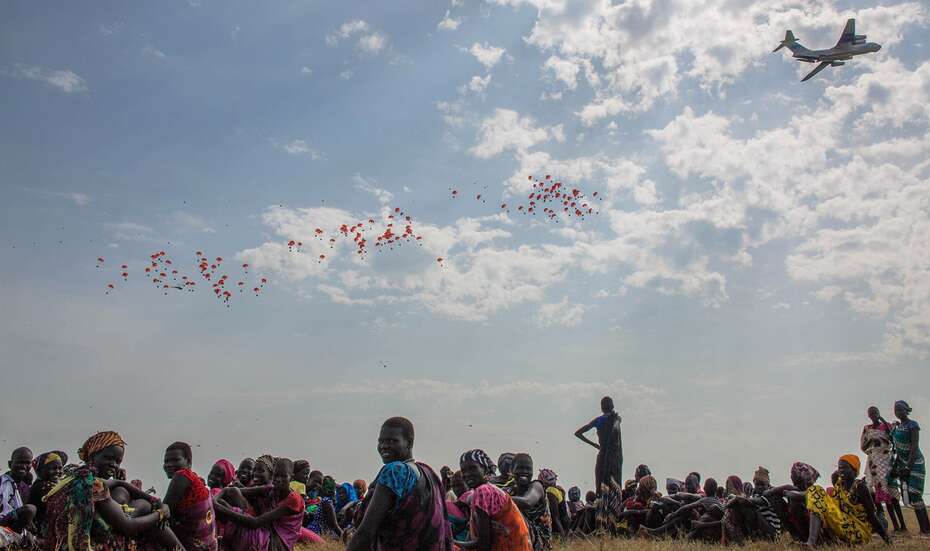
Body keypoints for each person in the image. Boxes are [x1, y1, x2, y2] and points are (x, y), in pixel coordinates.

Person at [42, 430, 182, 551]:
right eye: (108, 458)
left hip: (58, 545)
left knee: (125, 492)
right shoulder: (92, 484)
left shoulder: (76, 476)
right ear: (92, 456)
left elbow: (117, 483)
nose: (113, 465)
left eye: (117, 461)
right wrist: (161, 513)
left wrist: (154, 500)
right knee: (145, 508)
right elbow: (129, 527)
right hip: (85, 546)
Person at [346, 417, 451, 551]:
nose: (384, 446)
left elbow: (365, 532)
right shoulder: (428, 473)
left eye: (392, 441)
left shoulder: (395, 471)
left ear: (409, 443)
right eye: (381, 441)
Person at [214, 457, 305, 551]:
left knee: (224, 510)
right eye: (276, 476)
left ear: (291, 478)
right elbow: (231, 491)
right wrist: (216, 501)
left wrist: (221, 508)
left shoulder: (294, 500)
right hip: (265, 531)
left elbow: (255, 522)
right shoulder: (272, 489)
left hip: (275, 544)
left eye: (283, 476)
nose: (278, 479)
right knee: (227, 500)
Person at [804, 454, 891, 546]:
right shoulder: (839, 484)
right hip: (843, 523)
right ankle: (815, 541)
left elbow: (872, 516)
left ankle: (811, 543)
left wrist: (887, 540)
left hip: (857, 530)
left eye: (844, 468)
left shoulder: (860, 487)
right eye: (839, 468)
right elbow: (832, 503)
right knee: (815, 490)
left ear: (854, 470)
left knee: (816, 491)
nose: (840, 470)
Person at [456, 449, 531, 551]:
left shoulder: (483, 492)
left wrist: (451, 541)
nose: (468, 474)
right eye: (464, 470)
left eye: (473, 468)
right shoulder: (487, 490)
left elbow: (483, 544)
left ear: (485, 470)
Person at [162, 441, 218, 551]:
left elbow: (163, 511)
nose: (168, 464)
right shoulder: (194, 480)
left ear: (188, 462)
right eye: (166, 461)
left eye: (175, 460)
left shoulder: (182, 475)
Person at [861, 406, 905, 532]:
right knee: (885, 496)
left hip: (887, 460)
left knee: (893, 494)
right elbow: (863, 446)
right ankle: (895, 526)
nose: (873, 415)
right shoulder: (867, 429)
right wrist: (872, 442)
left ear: (878, 413)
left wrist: (884, 421)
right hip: (874, 461)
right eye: (871, 414)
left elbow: (893, 438)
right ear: (868, 415)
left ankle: (903, 526)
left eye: (875, 413)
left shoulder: (887, 426)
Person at [891, 400, 929, 534]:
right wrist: (897, 466)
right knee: (909, 496)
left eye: (900, 409)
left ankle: (926, 529)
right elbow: (895, 448)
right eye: (896, 410)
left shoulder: (913, 425)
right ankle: (924, 529)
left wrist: (908, 467)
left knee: (915, 493)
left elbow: (914, 446)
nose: (898, 412)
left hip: (915, 463)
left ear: (906, 410)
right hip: (902, 463)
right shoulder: (896, 428)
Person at [574, 396, 622, 495]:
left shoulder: (599, 420)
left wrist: (594, 444)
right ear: (612, 406)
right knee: (615, 488)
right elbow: (616, 429)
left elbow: (578, 433)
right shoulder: (615, 419)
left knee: (600, 486)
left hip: (603, 456)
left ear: (601, 407)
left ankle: (600, 507)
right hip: (614, 458)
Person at [507, 454, 550, 551]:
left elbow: (528, 502)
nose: (525, 472)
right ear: (511, 470)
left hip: (538, 544)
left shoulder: (537, 486)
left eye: (528, 469)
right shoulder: (510, 491)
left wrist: (496, 498)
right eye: (520, 468)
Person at [0, 447, 36, 548]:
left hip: (13, 525)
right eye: (19, 462)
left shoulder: (25, 488)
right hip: (3, 523)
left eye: (27, 463)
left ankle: (16, 538)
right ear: (10, 464)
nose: (23, 466)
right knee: (30, 509)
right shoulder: (1, 483)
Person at [28, 450, 67, 535]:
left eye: (60, 468)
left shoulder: (55, 484)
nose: (57, 471)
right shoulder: (41, 486)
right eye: (53, 468)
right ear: (40, 471)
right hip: (42, 533)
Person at [303, 470, 341, 539]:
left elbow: (334, 525)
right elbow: (335, 525)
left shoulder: (324, 501)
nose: (318, 486)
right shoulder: (326, 501)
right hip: (316, 532)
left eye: (320, 483)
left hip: (314, 531)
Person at [537, 469, 567, 537]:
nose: (553, 481)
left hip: (556, 527)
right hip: (563, 523)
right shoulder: (559, 490)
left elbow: (555, 517)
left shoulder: (550, 492)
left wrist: (562, 536)